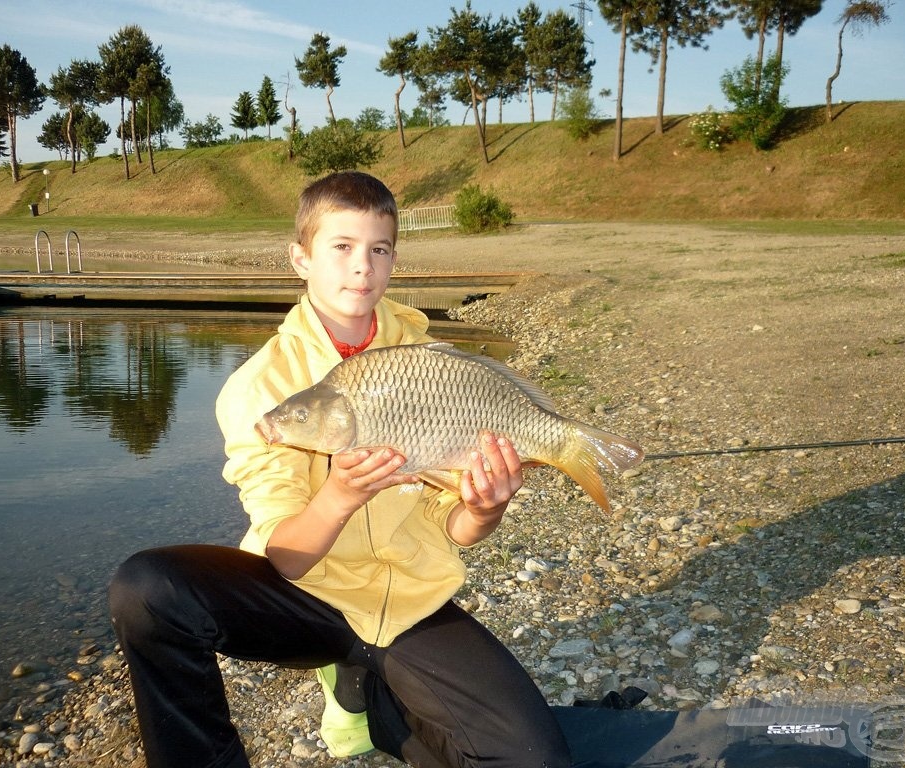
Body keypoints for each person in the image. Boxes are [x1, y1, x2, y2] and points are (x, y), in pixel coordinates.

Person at [109, 171, 572, 768]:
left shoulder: (429, 363)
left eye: (378, 249)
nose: (363, 267)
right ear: (300, 258)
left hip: (407, 600)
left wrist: (485, 506)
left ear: (393, 259)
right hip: (302, 596)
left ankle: (369, 697)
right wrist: (340, 495)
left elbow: (453, 525)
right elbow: (286, 557)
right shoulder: (261, 388)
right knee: (146, 589)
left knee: (534, 760)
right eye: (342, 247)